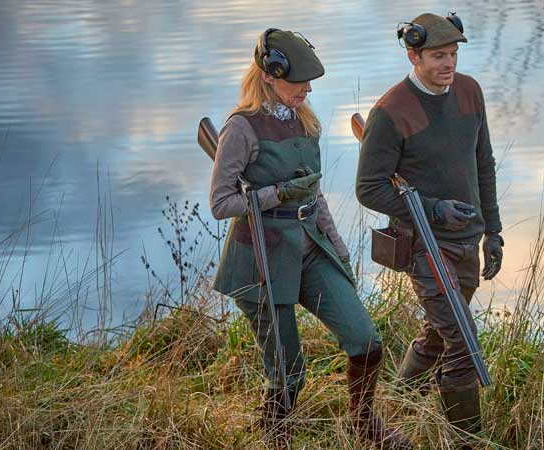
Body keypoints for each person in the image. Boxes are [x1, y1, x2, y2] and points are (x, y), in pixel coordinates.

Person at [209, 28, 412, 449]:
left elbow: (315, 193)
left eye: (308, 81)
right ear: (270, 74)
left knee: (366, 342)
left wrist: (337, 247)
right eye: (296, 81)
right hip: (260, 257)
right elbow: (221, 203)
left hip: (309, 246)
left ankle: (364, 423)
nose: (305, 89)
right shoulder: (240, 129)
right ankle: (276, 436)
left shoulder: (305, 120)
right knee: (287, 372)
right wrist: (275, 194)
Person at [356, 12, 504, 448]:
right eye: (438, 55)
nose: (449, 63)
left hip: (467, 242)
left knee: (440, 332)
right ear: (413, 54)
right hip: (424, 246)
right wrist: (433, 209)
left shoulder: (469, 92)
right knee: (462, 342)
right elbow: (368, 188)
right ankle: (467, 441)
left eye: (453, 54)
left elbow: (484, 163)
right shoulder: (390, 112)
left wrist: (492, 230)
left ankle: (403, 398)